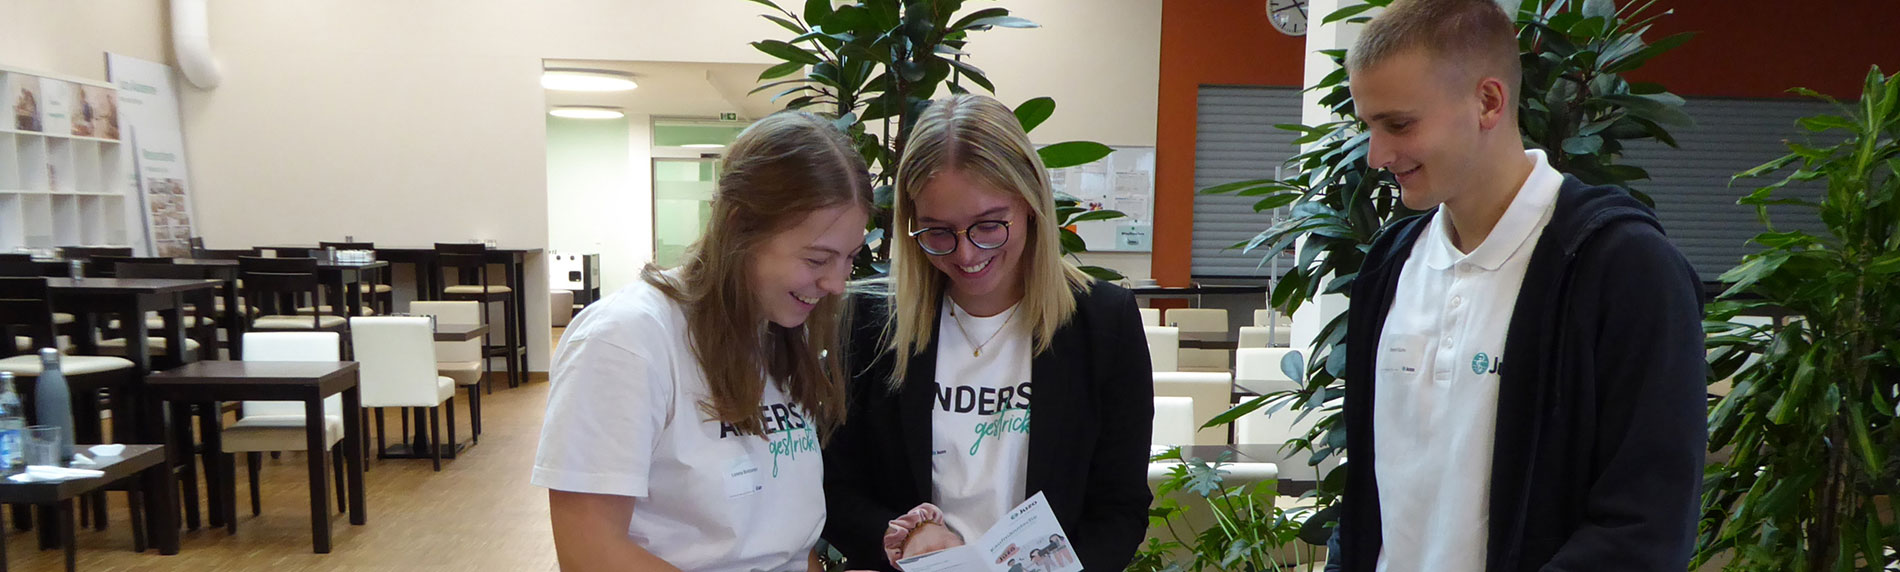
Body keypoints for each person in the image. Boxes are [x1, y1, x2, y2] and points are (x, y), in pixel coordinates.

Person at [1322, 0, 1707, 570]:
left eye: (1399, 125)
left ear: (1488, 101)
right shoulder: (1390, 264)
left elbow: (1645, 526)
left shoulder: (1623, 267)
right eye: (1369, 126)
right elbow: (1367, 499)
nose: (1377, 155)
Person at [822, 94, 1153, 571]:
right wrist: (905, 536)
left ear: (1030, 204)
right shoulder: (871, 323)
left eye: (989, 225)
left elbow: (1119, 506)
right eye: (937, 231)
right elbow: (835, 487)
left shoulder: (1103, 322)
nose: (966, 254)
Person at [532, 110, 873, 571]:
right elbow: (589, 553)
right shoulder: (625, 340)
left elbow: (790, 544)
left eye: (850, 258)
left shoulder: (778, 331)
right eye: (816, 260)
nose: (836, 283)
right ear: (738, 226)